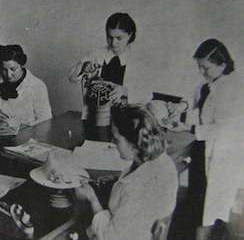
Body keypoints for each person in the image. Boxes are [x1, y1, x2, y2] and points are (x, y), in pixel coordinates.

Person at [167, 39, 244, 239]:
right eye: (199, 67)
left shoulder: (231, 89)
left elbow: (223, 129)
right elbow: (197, 94)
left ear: (223, 65)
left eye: (205, 67)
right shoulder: (213, 82)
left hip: (220, 154)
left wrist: (189, 127)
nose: (202, 72)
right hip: (203, 148)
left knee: (208, 206)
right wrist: (182, 106)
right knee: (200, 202)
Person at [74, 105, 178, 240]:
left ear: (134, 146)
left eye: (116, 139)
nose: (112, 142)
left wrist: (91, 198)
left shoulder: (136, 189)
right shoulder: (163, 161)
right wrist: (116, 180)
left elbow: (111, 236)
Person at [68, 13, 151, 120]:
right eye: (109, 37)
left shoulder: (138, 61)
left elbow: (147, 94)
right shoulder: (96, 54)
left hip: (127, 120)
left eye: (119, 38)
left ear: (129, 35)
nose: (113, 43)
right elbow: (72, 78)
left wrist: (126, 91)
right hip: (96, 117)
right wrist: (83, 68)